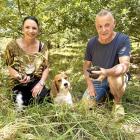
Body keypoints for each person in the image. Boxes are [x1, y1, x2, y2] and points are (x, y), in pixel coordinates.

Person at [83, 9, 131, 121]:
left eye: (107, 25)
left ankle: (118, 103)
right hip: (99, 78)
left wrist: (106, 72)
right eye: (99, 26)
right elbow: (86, 66)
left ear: (114, 24)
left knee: (113, 76)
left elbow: (124, 65)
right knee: (85, 105)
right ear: (96, 27)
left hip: (116, 77)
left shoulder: (122, 39)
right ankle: (106, 94)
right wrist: (90, 84)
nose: (103, 29)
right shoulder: (91, 43)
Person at [4, 16, 51, 108]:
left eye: (34, 28)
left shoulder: (43, 46)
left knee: (44, 102)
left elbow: (46, 67)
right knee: (20, 105)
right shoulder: (12, 46)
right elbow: (9, 66)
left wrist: (41, 83)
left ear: (38, 30)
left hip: (36, 81)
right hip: (18, 82)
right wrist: (18, 76)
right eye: (27, 27)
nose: (31, 31)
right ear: (22, 29)